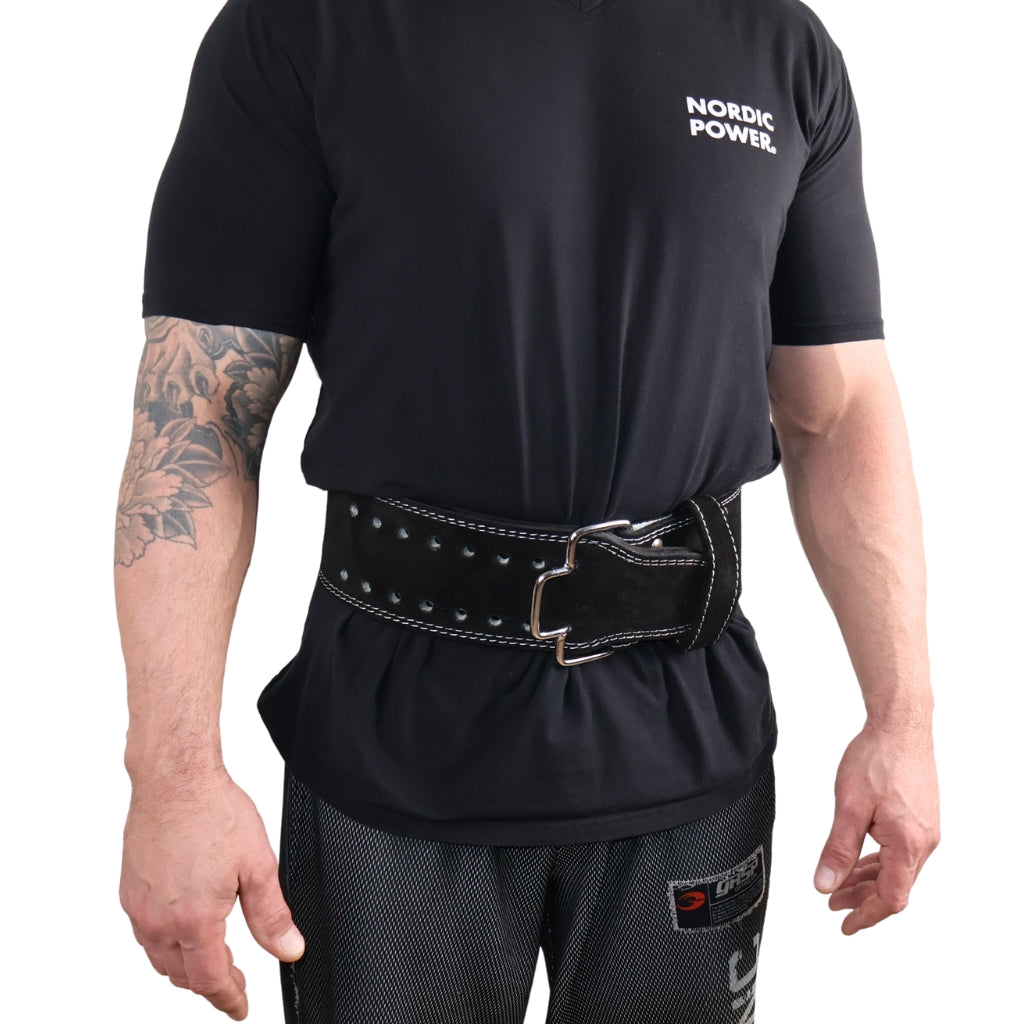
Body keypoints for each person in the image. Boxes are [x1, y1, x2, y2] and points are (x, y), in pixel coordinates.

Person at [115, 0, 940, 1021]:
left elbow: (838, 408)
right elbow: (200, 409)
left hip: (687, 744)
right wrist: (173, 777)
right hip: (395, 758)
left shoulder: (779, 45)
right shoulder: (305, 28)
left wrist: (902, 718)